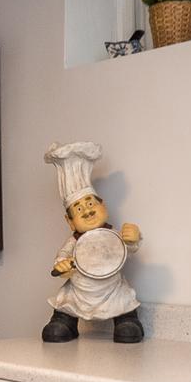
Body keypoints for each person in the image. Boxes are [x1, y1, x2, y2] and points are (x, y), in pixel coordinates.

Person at [41, 141, 144, 343]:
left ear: (103, 206)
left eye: (90, 204)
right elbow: (61, 260)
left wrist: (133, 239)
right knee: (66, 303)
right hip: (79, 291)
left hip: (112, 289)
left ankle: (126, 320)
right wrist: (63, 267)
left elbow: (127, 249)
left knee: (123, 305)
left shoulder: (113, 234)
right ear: (70, 222)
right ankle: (64, 322)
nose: (87, 211)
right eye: (78, 210)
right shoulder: (73, 242)